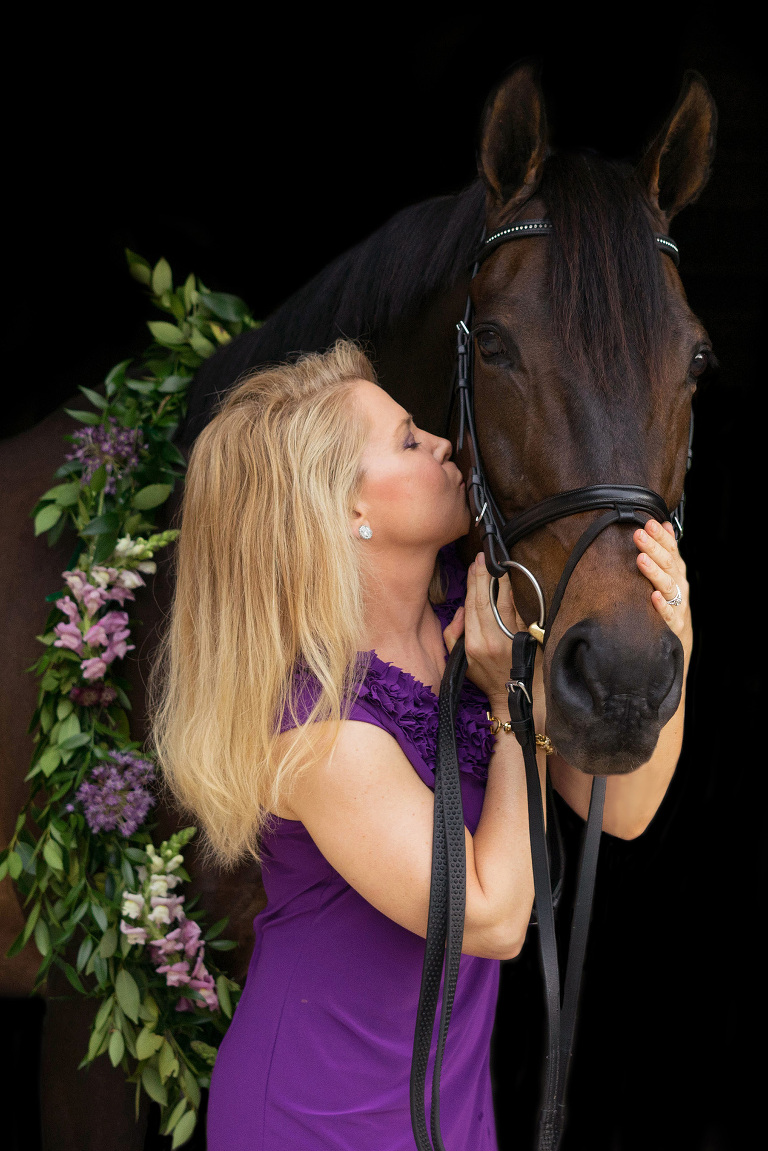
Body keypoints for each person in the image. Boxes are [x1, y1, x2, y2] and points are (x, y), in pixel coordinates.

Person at [147, 339, 692, 1150]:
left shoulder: (467, 624)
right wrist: (511, 700)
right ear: (344, 510)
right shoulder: (320, 726)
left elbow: (628, 809)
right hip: (313, 1112)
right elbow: (496, 916)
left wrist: (670, 634)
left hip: (444, 1106)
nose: (445, 443)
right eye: (407, 439)